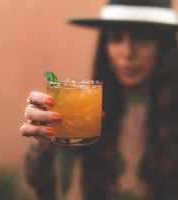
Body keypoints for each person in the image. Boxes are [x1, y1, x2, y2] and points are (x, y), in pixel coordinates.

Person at [20, 0, 178, 199]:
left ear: (164, 46)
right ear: (105, 46)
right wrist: (44, 145)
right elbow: (39, 181)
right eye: (116, 37)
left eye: (143, 38)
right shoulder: (84, 108)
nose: (128, 53)